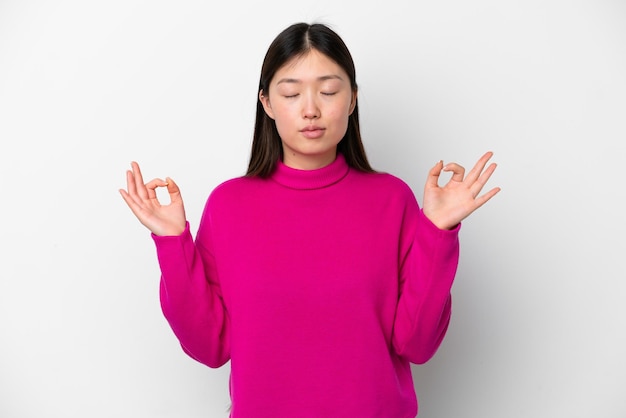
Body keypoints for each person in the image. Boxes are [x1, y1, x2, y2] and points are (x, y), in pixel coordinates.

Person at [120, 22, 500, 418]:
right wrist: (171, 241)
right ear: (266, 103)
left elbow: (417, 345)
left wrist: (437, 233)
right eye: (291, 92)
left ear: (352, 100)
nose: (310, 109)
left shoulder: (391, 200)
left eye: (329, 91)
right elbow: (209, 346)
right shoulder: (228, 206)